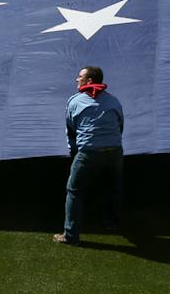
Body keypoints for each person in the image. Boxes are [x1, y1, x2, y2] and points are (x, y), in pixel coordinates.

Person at [54, 66, 123, 245]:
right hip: (114, 152)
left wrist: (75, 151)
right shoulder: (113, 100)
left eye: (80, 77)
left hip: (89, 153)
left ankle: (70, 235)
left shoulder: (75, 101)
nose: (77, 79)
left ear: (89, 81)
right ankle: (111, 222)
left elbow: (71, 129)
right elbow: (120, 124)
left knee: (74, 191)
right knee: (112, 187)